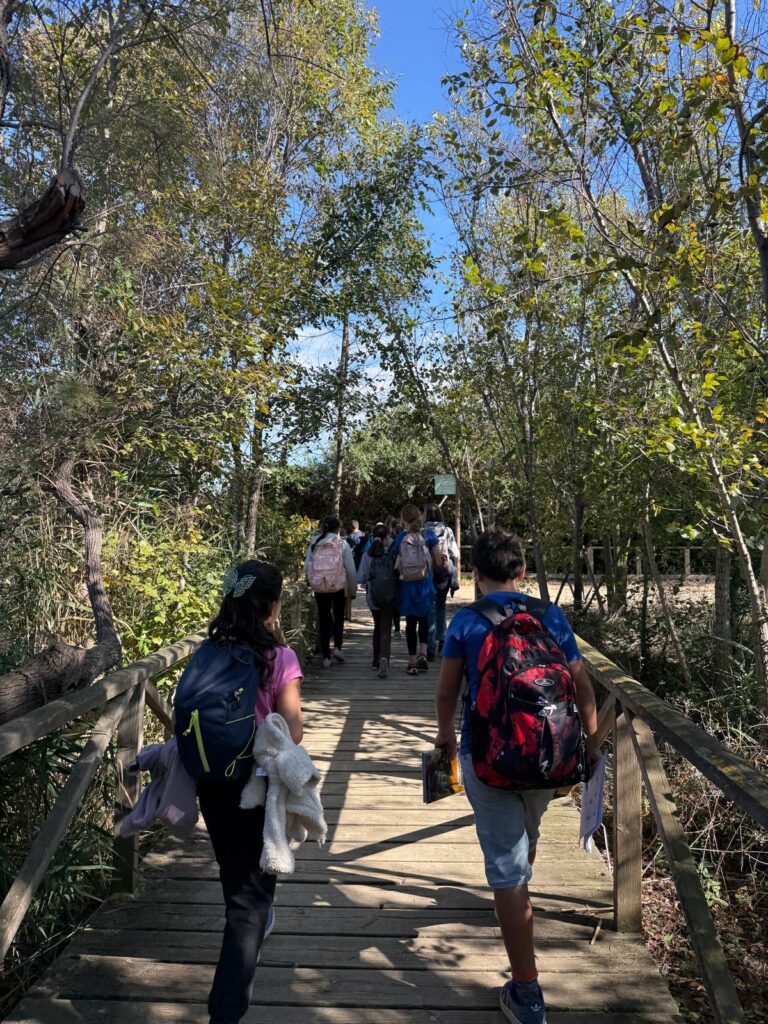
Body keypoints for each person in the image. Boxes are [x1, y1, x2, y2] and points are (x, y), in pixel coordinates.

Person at [434, 528, 599, 1024]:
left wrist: (445, 740)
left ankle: (526, 991)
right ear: (522, 572)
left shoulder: (467, 621)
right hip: (550, 755)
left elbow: (447, 692)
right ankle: (517, 887)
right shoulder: (550, 615)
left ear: (476, 575)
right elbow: (582, 686)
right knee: (526, 834)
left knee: (506, 869)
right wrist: (591, 745)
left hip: (488, 759)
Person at [191, 559, 304, 1024]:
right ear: (273, 608)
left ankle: (251, 925)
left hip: (212, 781)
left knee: (234, 876)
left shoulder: (207, 650)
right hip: (258, 784)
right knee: (250, 903)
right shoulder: (280, 659)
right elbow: (292, 731)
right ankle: (225, 1011)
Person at [390, 503, 438, 675]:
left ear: (403, 519)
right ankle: (423, 653)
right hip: (425, 584)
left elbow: (393, 560)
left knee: (410, 623)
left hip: (407, 584)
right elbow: (438, 561)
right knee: (424, 619)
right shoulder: (429, 535)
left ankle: (411, 662)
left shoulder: (400, 538)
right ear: (419, 516)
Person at [305, 515, 357, 668]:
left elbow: (307, 566)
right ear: (338, 529)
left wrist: (312, 580)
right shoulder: (342, 544)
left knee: (323, 618)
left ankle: (326, 657)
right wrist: (353, 589)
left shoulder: (315, 542)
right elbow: (351, 570)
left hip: (320, 586)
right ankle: (338, 648)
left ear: (323, 527)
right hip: (338, 586)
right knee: (339, 617)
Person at [357, 523, 398, 678]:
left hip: (372, 597)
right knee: (386, 628)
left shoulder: (367, 555)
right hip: (389, 596)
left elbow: (360, 578)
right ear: (387, 536)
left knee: (377, 627)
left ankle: (375, 660)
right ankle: (384, 657)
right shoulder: (391, 553)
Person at [423, 504, 460, 659]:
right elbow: (455, 553)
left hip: (427, 573)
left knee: (430, 608)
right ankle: (442, 640)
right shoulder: (447, 531)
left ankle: (430, 646)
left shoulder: (422, 531)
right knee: (441, 606)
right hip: (444, 573)